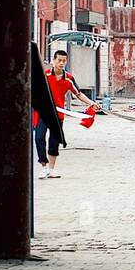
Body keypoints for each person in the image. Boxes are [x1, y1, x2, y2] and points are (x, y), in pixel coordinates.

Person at [35, 49, 99, 179]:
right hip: (43, 112)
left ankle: (51, 169)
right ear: (53, 61)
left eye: (64, 61)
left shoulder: (68, 78)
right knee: (39, 138)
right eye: (59, 60)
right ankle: (44, 167)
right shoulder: (44, 76)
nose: (61, 63)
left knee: (54, 141)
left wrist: (91, 103)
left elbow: (78, 93)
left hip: (58, 115)